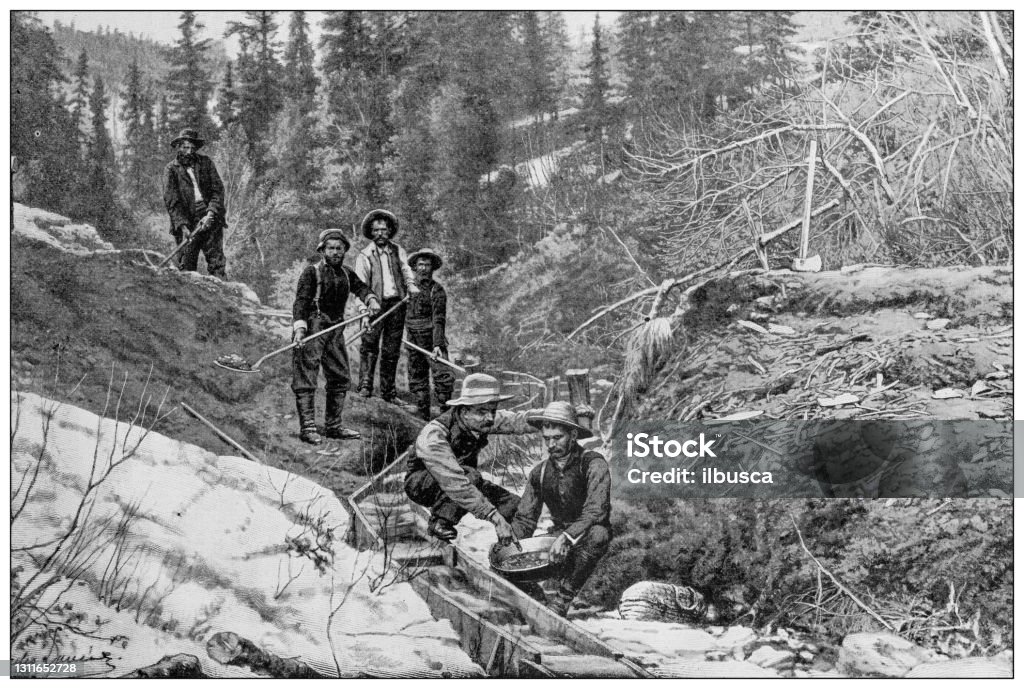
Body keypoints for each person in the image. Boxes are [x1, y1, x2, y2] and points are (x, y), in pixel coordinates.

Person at [405, 373, 536, 545]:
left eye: (492, 411)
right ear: (465, 410)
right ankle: (440, 522)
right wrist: (494, 517)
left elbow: (516, 421)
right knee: (470, 476)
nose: (490, 417)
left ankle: (517, 547)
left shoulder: (478, 419)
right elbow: (455, 483)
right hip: (425, 486)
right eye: (482, 412)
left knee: (515, 505)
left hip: (466, 479)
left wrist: (554, 418)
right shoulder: (435, 435)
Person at [511, 401, 611, 617]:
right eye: (547, 439)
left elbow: (596, 511)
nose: (551, 444)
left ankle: (563, 599)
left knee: (599, 534)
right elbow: (525, 518)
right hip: (556, 537)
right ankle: (535, 597)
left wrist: (567, 537)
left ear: (573, 435)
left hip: (585, 535)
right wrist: (511, 548)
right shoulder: (539, 473)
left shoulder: (593, 464)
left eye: (558, 438)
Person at [291, 229, 381, 445]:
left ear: (344, 251)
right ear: (322, 250)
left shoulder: (346, 274)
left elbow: (361, 287)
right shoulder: (311, 273)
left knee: (340, 377)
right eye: (330, 248)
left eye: (339, 248)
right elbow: (301, 302)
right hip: (314, 327)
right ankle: (308, 428)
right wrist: (300, 329)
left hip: (335, 329)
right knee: (306, 377)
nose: (335, 252)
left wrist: (370, 299)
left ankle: (333, 426)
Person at [353, 209, 419, 404]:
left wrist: (411, 286)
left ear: (390, 231)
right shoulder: (364, 255)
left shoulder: (398, 251)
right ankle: (365, 386)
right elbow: (360, 286)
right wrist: (364, 312)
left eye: (384, 230)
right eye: (376, 230)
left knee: (391, 349)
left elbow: (406, 271)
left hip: (397, 305)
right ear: (371, 233)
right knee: (369, 347)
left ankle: (389, 392)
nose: (380, 234)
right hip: (374, 306)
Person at [163, 128, 227, 279]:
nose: (189, 151)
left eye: (192, 148)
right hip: (187, 222)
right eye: (185, 147)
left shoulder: (206, 163)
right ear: (178, 147)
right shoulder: (171, 170)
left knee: (217, 264)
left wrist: (210, 213)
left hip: (210, 218)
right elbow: (172, 201)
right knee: (186, 267)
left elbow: (218, 190)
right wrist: (183, 226)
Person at [405, 248, 455, 420]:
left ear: (432, 268)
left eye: (427, 265)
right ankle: (422, 415)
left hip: (432, 337)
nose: (424, 268)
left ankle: (445, 414)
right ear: (415, 268)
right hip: (412, 339)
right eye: (420, 265)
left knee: (443, 377)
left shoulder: (437, 290)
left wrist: (437, 344)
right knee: (417, 376)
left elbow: (439, 319)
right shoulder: (407, 290)